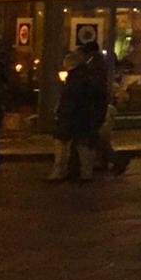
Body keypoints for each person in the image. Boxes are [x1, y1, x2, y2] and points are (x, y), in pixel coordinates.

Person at [47, 51, 96, 183]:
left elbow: (69, 100)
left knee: (62, 143)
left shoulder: (74, 80)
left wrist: (61, 114)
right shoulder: (84, 77)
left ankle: (60, 171)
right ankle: (86, 173)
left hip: (71, 116)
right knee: (82, 145)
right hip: (82, 117)